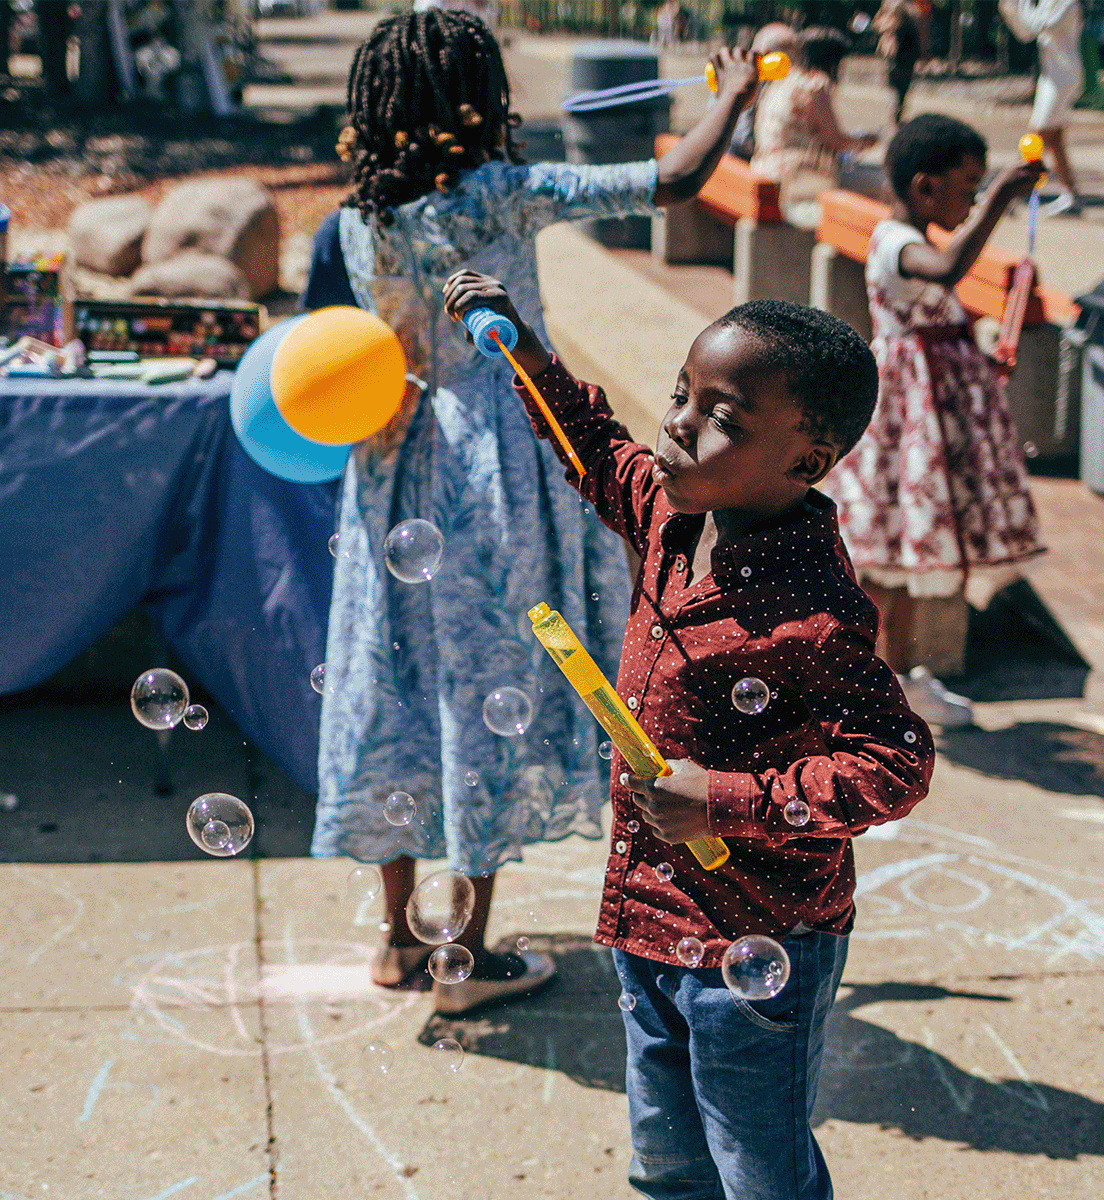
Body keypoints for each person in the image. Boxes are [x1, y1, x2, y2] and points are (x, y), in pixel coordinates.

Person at [301, 11, 761, 1016]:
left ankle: (395, 941)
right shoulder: (507, 193)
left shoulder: (358, 217)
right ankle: (469, 950)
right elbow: (672, 179)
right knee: (489, 680)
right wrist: (731, 91)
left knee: (400, 678)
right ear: (481, 96)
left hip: (390, 458)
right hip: (497, 467)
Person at [442, 268, 933, 1199]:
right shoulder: (675, 513)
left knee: (760, 1169)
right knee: (666, 1160)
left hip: (761, 938)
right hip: (647, 917)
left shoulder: (814, 612)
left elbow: (895, 764)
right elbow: (594, 446)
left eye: (722, 418)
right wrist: (524, 346)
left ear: (806, 460)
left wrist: (725, 798)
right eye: (680, 395)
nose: (676, 424)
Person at [828, 114, 1047, 728]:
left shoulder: (909, 233)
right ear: (925, 187)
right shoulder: (896, 241)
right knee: (885, 564)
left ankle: (896, 680)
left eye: (982, 188)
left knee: (903, 561)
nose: (974, 198)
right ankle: (874, 689)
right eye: (968, 187)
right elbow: (947, 268)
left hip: (931, 424)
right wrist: (1004, 197)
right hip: (905, 428)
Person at [751, 26, 879, 223]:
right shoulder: (812, 85)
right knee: (880, 187)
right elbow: (835, 140)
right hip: (797, 185)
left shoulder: (775, 85)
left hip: (765, 172)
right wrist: (866, 141)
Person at [998, 0, 1085, 214]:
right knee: (1055, 136)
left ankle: (1010, 193)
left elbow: (1041, 26)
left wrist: (1021, 4)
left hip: (1064, 77)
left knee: (1037, 134)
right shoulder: (1047, 1)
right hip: (1050, 76)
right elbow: (1025, 33)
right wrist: (1010, 9)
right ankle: (1070, 194)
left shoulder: (1070, 4)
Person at [729, 21, 797, 160]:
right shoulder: (749, 80)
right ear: (769, 53)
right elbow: (743, 139)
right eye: (789, 55)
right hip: (739, 159)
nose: (793, 63)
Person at [873, 0, 924, 125]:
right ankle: (897, 114)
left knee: (898, 92)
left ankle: (897, 114)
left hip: (898, 62)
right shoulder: (907, 25)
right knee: (902, 91)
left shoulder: (893, 26)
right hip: (905, 62)